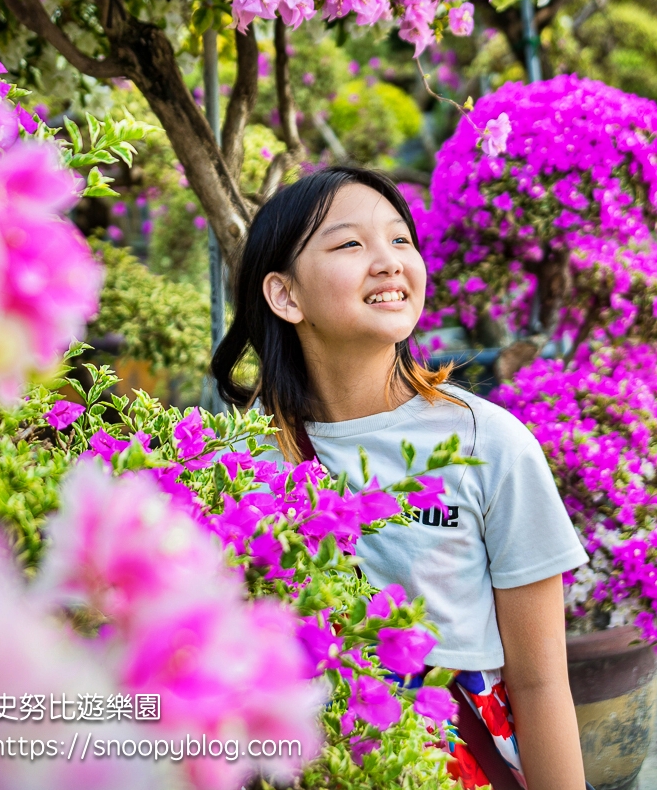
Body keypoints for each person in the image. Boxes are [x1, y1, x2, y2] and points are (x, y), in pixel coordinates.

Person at [213, 165, 589, 790]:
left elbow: (541, 681)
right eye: (350, 244)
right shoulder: (244, 464)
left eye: (401, 240)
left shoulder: (486, 443)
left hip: (453, 764)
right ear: (285, 296)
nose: (389, 261)